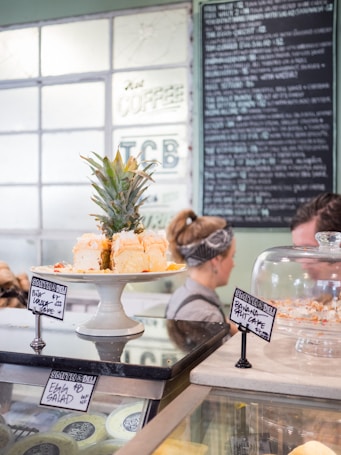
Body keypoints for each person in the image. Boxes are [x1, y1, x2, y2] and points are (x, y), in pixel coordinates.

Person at [165, 209, 238, 336]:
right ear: (216, 260)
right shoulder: (207, 316)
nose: (233, 264)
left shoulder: (183, 293)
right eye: (232, 256)